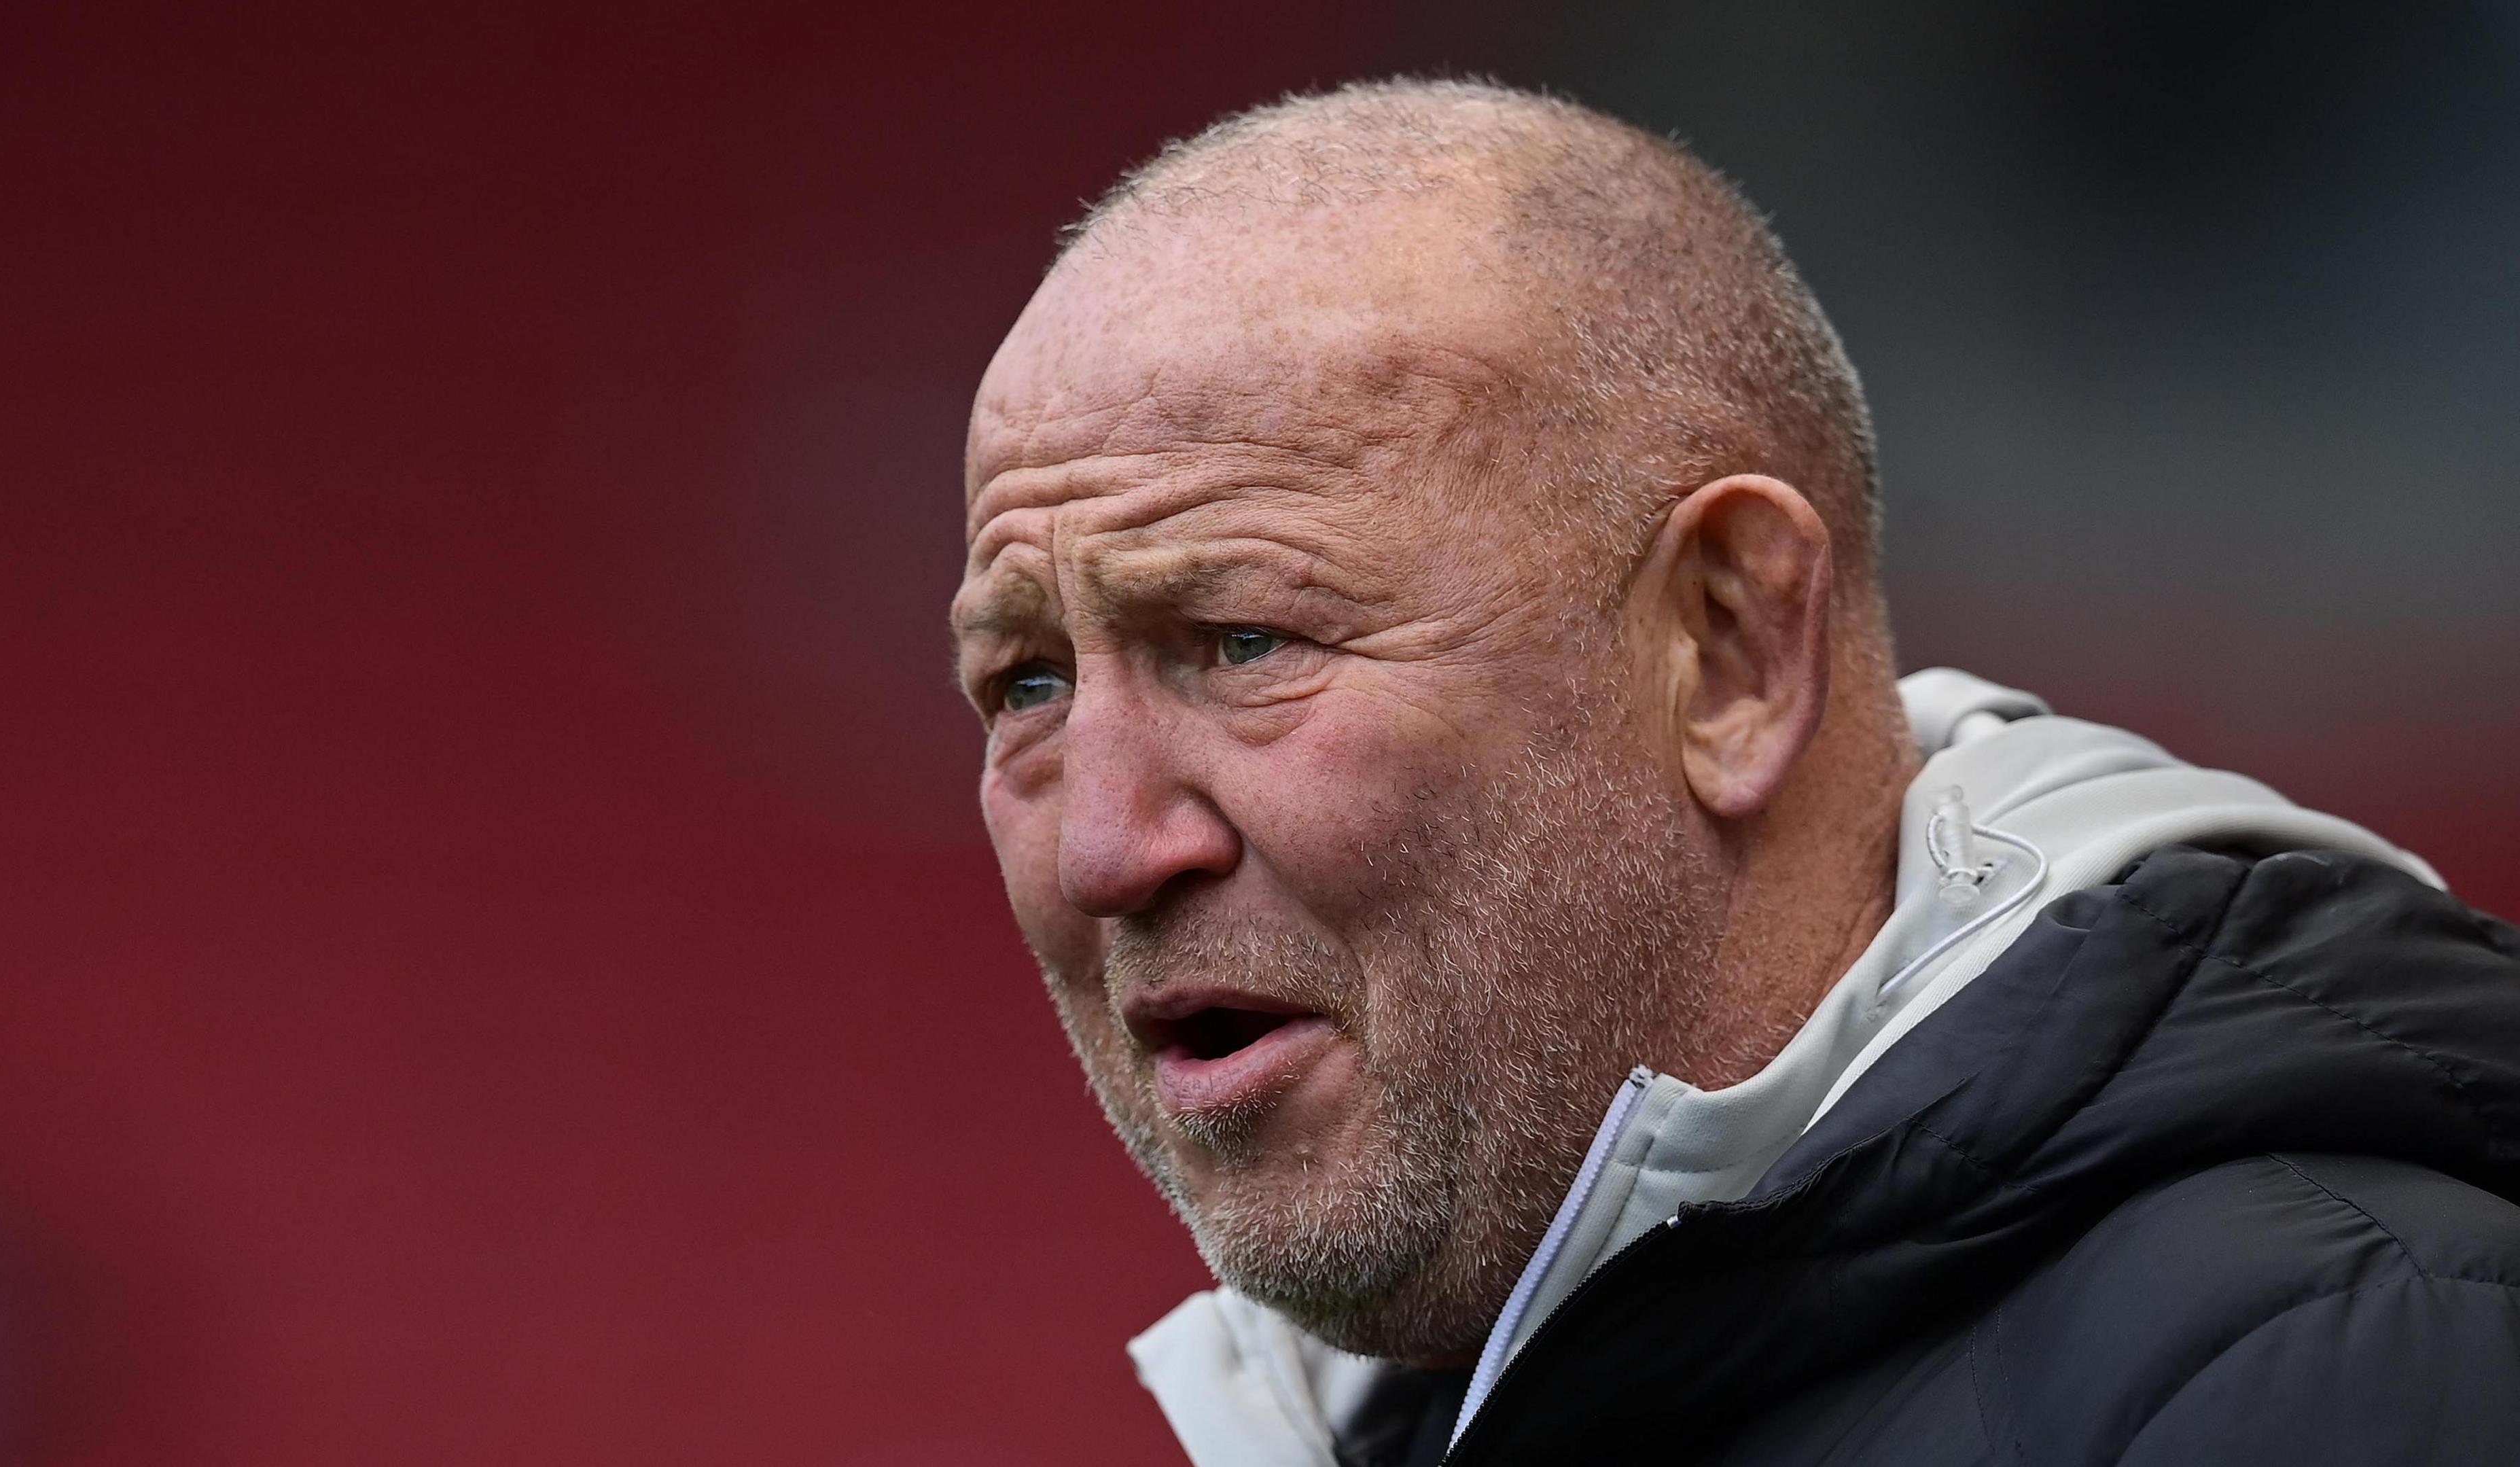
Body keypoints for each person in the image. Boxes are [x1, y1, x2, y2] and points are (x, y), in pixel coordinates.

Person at [948, 79, 2520, 1466]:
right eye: (1027, 681)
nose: (1101, 849)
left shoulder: (2338, 1373)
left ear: (1732, 649)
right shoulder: (1427, 1398)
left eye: (1242, 642)